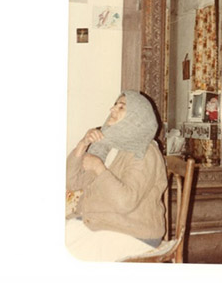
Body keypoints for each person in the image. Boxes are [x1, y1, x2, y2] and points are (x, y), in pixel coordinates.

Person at [66, 90, 168, 261]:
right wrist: (82, 145)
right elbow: (72, 181)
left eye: (121, 107)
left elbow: (125, 201)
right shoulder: (108, 145)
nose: (112, 109)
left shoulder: (145, 152)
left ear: (136, 118)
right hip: (104, 222)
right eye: (115, 105)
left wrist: (99, 168)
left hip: (135, 233)